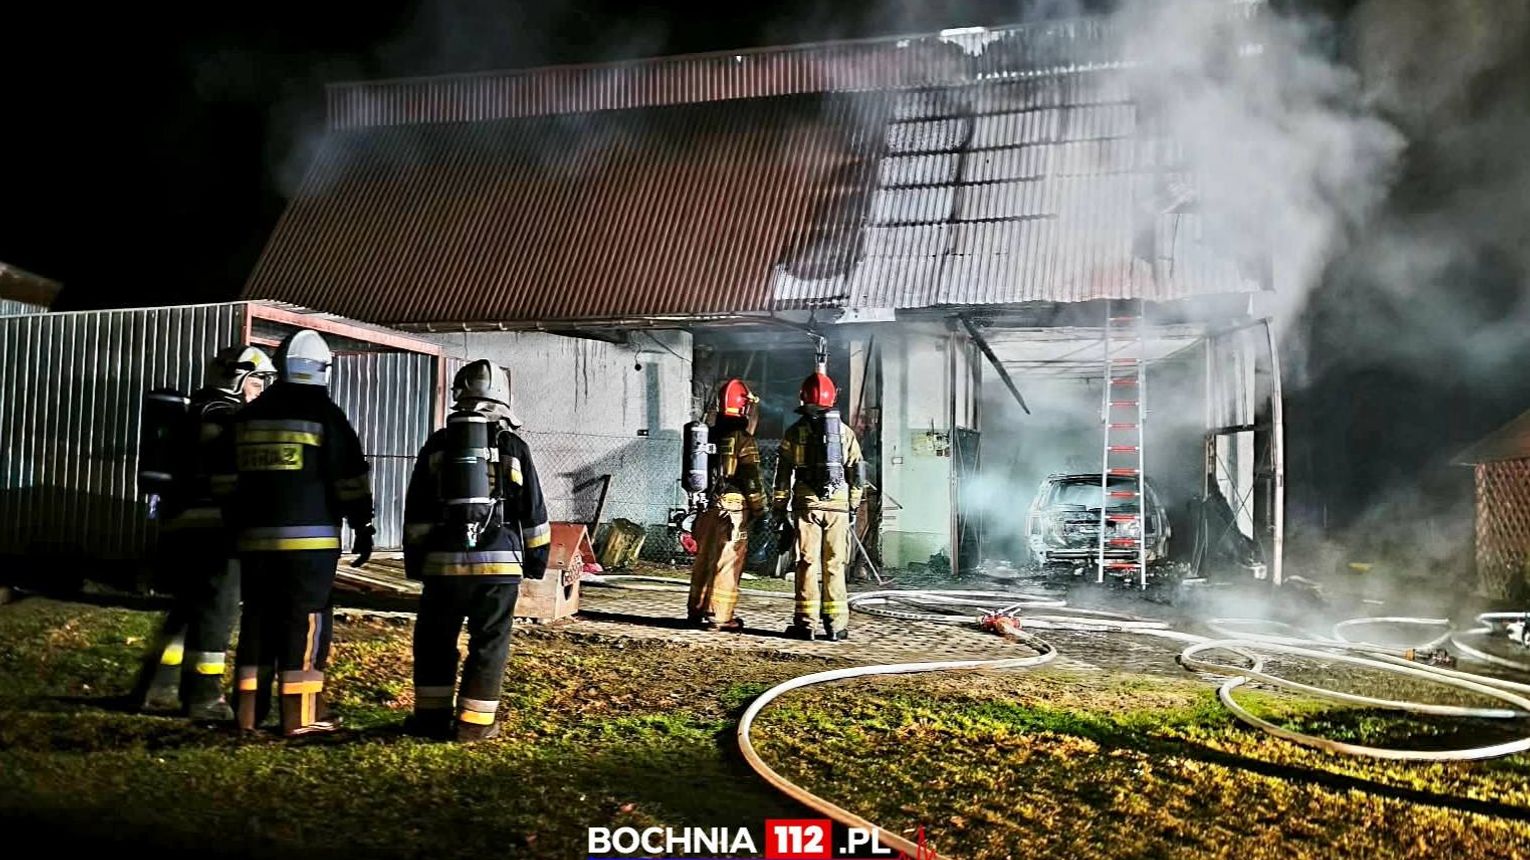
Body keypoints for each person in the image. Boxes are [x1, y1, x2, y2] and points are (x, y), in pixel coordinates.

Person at [216, 329, 374, 736]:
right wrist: (362, 523)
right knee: (304, 623)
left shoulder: (248, 416)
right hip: (311, 546)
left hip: (254, 542)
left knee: (256, 620)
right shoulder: (326, 416)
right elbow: (351, 479)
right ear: (322, 370)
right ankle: (300, 717)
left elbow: (223, 481)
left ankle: (247, 714)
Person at [401, 360, 551, 742]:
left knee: (435, 641)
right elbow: (532, 511)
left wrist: (417, 564)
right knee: (490, 642)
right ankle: (474, 724)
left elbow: (417, 509)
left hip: (443, 566)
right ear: (501, 398)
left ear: (458, 396)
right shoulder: (513, 446)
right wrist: (535, 563)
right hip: (499, 567)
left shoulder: (437, 444)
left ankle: (430, 719)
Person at [132, 345, 275, 720]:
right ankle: (203, 696)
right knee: (216, 612)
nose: (261, 388)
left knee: (185, 610)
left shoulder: (193, 410)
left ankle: (154, 687)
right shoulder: (227, 416)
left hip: (182, 526)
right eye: (259, 380)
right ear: (240, 378)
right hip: (216, 532)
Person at [771, 368, 865, 641]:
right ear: (832, 398)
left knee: (806, 562)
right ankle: (836, 626)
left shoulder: (794, 432)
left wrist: (780, 508)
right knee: (835, 564)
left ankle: (806, 623)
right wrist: (853, 508)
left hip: (806, 505)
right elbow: (857, 474)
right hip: (838, 506)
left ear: (803, 398)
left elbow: (783, 474)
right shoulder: (845, 434)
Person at [685, 379, 766, 631]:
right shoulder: (743, 439)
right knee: (727, 561)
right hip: (732, 509)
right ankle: (719, 616)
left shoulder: (707, 434)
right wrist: (761, 511)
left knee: (705, 559)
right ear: (743, 409)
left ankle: (696, 611)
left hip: (705, 505)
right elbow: (751, 479)